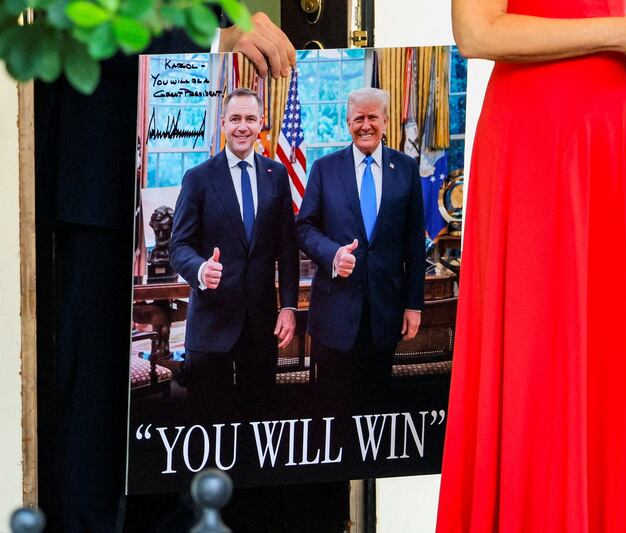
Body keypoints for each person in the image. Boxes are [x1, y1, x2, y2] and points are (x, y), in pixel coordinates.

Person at [34, 15, 300, 531]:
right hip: (103, 180)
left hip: (246, 325)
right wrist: (213, 40)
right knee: (96, 413)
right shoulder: (199, 178)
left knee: (195, 450)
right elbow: (84, 16)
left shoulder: (271, 175)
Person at [436, 1, 626, 532]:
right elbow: (477, 32)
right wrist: (623, 33)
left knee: (605, 355)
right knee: (540, 357)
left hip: (608, 133)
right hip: (542, 140)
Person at [296, 87, 426, 412]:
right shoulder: (324, 168)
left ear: (386, 121)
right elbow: (304, 228)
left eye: (372, 117)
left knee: (375, 408)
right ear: (347, 123)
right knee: (332, 409)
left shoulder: (406, 169)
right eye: (358, 119)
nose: (365, 125)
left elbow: (414, 242)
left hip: (385, 314)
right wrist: (333, 255)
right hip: (334, 316)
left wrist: (414, 304)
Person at [170, 87, 298, 416]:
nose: (243, 126)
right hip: (211, 327)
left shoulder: (277, 175)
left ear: (260, 123)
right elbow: (179, 246)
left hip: (261, 327)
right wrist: (200, 269)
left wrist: (288, 306)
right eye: (236, 118)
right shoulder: (198, 178)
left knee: (258, 421)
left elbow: (287, 248)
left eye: (250, 119)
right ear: (223, 123)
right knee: (208, 423)